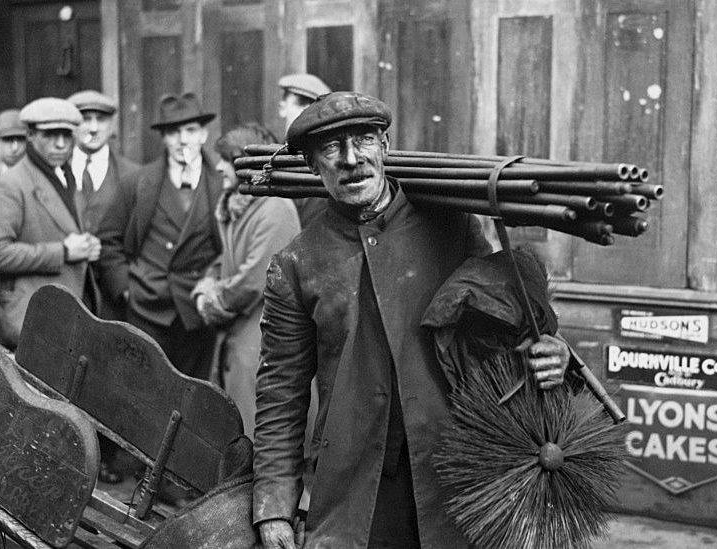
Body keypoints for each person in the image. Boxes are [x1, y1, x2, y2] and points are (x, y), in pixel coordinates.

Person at [253, 91, 572, 549]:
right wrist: (273, 508)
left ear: (384, 145)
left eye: (363, 139)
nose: (350, 159)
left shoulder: (453, 228)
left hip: (454, 475)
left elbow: (499, 334)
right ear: (310, 164)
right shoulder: (297, 263)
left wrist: (549, 354)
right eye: (330, 148)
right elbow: (280, 393)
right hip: (353, 492)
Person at [97, 92, 222, 379]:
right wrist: (126, 288)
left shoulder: (221, 183)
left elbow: (232, 245)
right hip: (147, 310)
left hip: (196, 313)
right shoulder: (139, 183)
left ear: (203, 135)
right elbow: (108, 239)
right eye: (173, 132)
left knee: (195, 395)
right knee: (144, 393)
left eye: (190, 130)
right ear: (163, 139)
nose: (182, 140)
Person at [191, 123, 300, 438]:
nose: (220, 167)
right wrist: (205, 287)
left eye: (228, 160)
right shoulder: (234, 206)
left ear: (248, 164)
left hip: (264, 342)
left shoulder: (276, 209)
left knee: (262, 437)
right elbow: (224, 262)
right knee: (235, 434)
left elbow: (254, 280)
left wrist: (211, 301)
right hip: (238, 340)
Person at [0, 97, 100, 349]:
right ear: (31, 136)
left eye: (66, 136)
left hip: (70, 313)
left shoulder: (66, 176)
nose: (60, 144)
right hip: (33, 318)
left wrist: (87, 246)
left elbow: (66, 227)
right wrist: (64, 251)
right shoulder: (11, 185)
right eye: (50, 135)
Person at [68, 90, 140, 323]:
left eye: (101, 119)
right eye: (85, 119)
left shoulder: (134, 175)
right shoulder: (57, 170)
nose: (93, 127)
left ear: (112, 125)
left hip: (114, 298)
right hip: (67, 287)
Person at [278, 73, 331, 228]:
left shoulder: (331, 165)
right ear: (282, 108)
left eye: (314, 106)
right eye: (301, 103)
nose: (307, 112)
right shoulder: (268, 162)